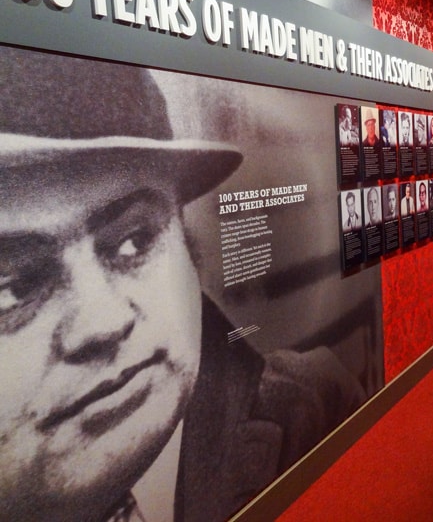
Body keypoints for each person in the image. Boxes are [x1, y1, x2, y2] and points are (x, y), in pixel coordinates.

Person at [0, 47, 365, 522]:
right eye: (12, 288)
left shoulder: (312, 405)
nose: (104, 322)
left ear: (186, 245)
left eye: (134, 241)